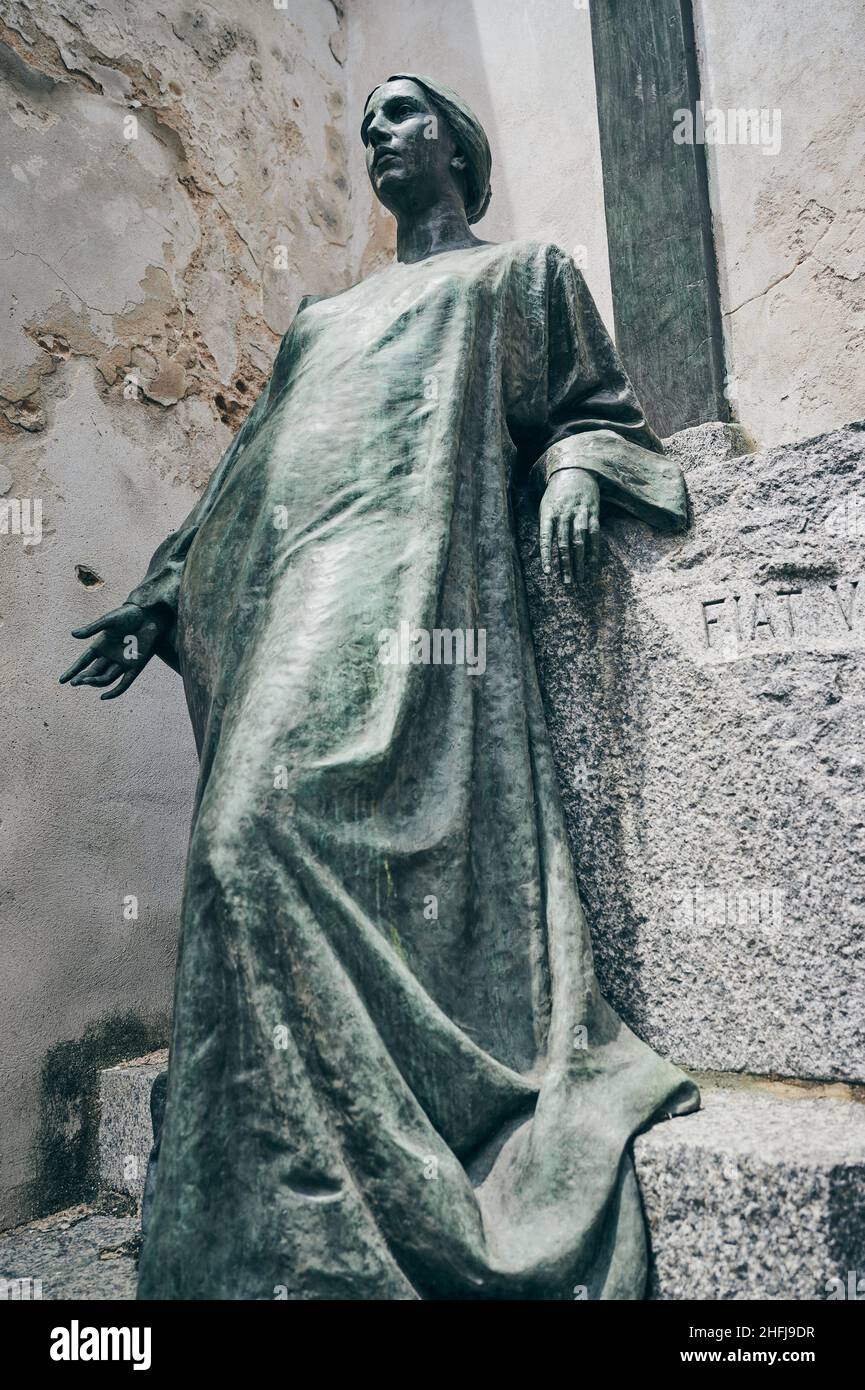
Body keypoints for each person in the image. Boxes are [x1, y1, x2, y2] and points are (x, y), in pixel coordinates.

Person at [61, 74, 698, 1300]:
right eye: (364, 126)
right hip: (293, 598)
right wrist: (159, 593)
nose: (374, 137)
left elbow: (595, 409)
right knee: (238, 841)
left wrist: (573, 467)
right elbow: (246, 475)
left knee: (258, 835)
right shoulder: (321, 320)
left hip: (413, 602)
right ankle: (272, 1233)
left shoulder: (520, 278)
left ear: (456, 148)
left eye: (400, 116)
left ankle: (328, 1214)